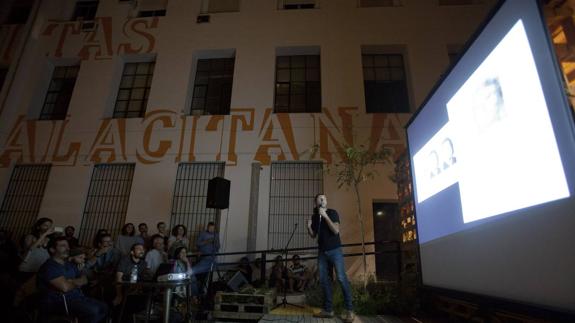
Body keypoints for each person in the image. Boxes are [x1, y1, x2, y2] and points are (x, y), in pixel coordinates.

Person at [36, 236, 108, 323]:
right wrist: (74, 282)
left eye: (67, 246)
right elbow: (65, 287)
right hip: (57, 301)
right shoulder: (49, 267)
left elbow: (84, 279)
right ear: (52, 249)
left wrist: (71, 282)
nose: (67, 248)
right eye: (63, 246)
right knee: (93, 311)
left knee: (104, 307)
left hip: (76, 297)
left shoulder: (69, 264)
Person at [307, 194, 354, 322]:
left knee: (341, 278)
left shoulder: (332, 212)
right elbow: (313, 235)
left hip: (335, 250)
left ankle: (349, 310)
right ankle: (328, 310)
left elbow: (335, 230)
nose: (322, 200)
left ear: (326, 201)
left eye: (324, 198)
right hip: (322, 252)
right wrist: (308, 227)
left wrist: (325, 215)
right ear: (316, 202)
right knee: (323, 280)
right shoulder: (315, 217)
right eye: (320, 198)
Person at [113, 243, 151, 323]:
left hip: (135, 289)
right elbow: (118, 278)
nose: (141, 251)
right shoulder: (125, 260)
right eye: (138, 249)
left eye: (142, 249)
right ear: (132, 252)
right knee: (126, 304)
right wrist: (119, 295)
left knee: (147, 298)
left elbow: (144, 278)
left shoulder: (143, 263)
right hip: (123, 288)